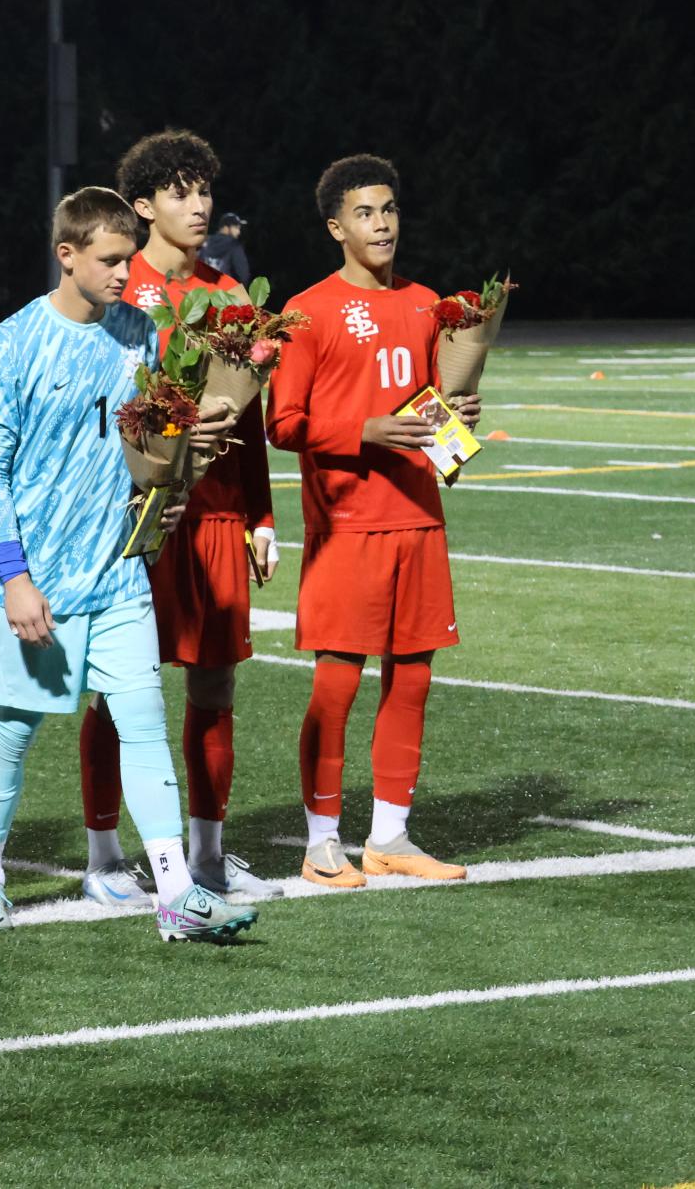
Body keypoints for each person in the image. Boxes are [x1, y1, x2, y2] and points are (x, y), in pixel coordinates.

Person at [0, 186, 258, 944]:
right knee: (16, 727)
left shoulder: (138, 333)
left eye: (129, 258)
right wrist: (13, 577)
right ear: (67, 255)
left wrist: (182, 469)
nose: (126, 274)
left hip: (120, 572)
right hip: (38, 581)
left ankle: (175, 892)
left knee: (143, 723)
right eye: (110, 260)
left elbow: (154, 441)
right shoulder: (11, 342)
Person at [77, 131, 282, 910]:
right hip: (130, 517)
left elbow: (248, 422)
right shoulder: (115, 293)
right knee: (116, 686)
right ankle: (102, 855)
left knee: (214, 683)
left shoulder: (232, 297)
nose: (198, 206)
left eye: (204, 191)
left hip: (217, 515)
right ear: (142, 206)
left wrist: (260, 515)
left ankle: (208, 854)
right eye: (179, 192)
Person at [265, 153, 480, 890]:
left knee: (413, 679)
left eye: (387, 209)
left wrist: (459, 421)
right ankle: (321, 841)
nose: (380, 223)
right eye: (363, 212)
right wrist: (363, 431)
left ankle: (389, 835)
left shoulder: (427, 304)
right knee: (336, 685)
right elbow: (282, 422)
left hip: (418, 517)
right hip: (347, 525)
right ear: (335, 227)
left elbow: (430, 405)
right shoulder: (308, 310)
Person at [198, 211, 251, 284]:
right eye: (236, 228)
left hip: (203, 291)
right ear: (226, 227)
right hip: (225, 293)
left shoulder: (204, 242)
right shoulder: (234, 245)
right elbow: (243, 275)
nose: (238, 232)